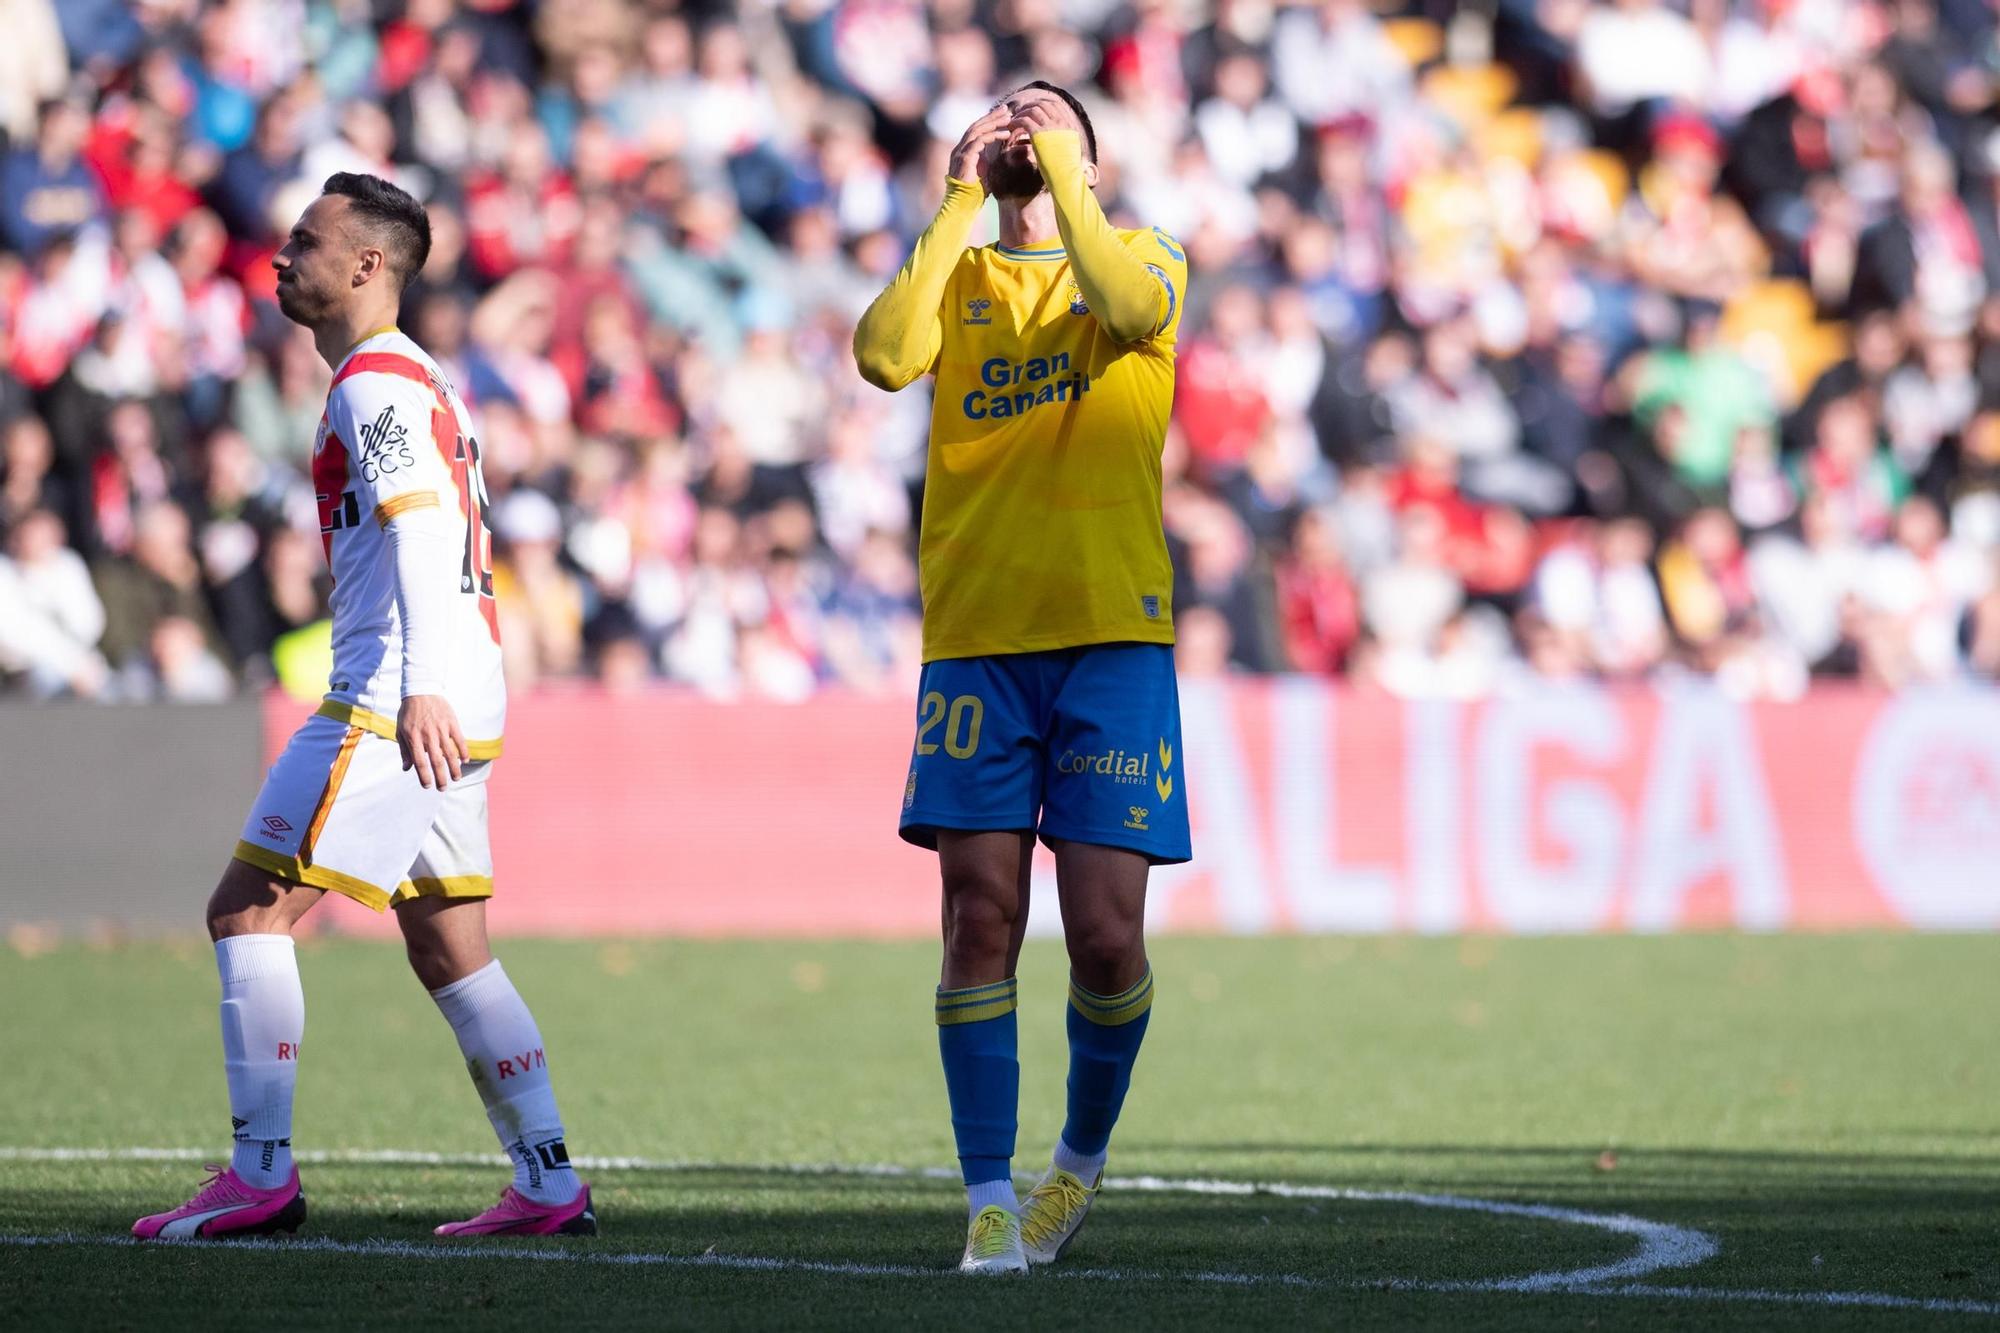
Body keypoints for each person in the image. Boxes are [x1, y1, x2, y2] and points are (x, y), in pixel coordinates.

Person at [132, 174, 594, 1241]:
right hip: (455, 690)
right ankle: (547, 1180)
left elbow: (424, 527)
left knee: (248, 911)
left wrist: (418, 683)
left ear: (366, 266)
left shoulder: (375, 383)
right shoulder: (415, 377)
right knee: (448, 946)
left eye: (306, 240)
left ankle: (260, 1176)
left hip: (397, 695)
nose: (282, 255)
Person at [852, 83, 1190, 1276]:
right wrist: (956, 197)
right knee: (978, 915)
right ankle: (987, 1196)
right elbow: (883, 356)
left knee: (1103, 935)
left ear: (1087, 155)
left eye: (1044, 117)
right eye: (1003, 114)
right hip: (977, 639)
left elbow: (1119, 297)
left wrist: (1073, 188)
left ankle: (1076, 1166)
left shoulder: (1143, 258)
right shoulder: (953, 272)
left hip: (1108, 634)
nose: (1018, 127)